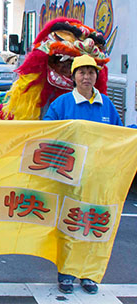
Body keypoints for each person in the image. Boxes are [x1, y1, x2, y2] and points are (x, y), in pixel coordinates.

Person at [44, 54, 121, 295]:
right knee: (70, 223)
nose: (86, 77)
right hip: (70, 177)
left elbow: (118, 136)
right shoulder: (62, 104)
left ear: (96, 76)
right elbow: (48, 132)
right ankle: (66, 272)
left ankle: (89, 274)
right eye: (81, 72)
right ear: (73, 76)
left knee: (94, 223)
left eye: (91, 72)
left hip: (99, 178)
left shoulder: (106, 104)